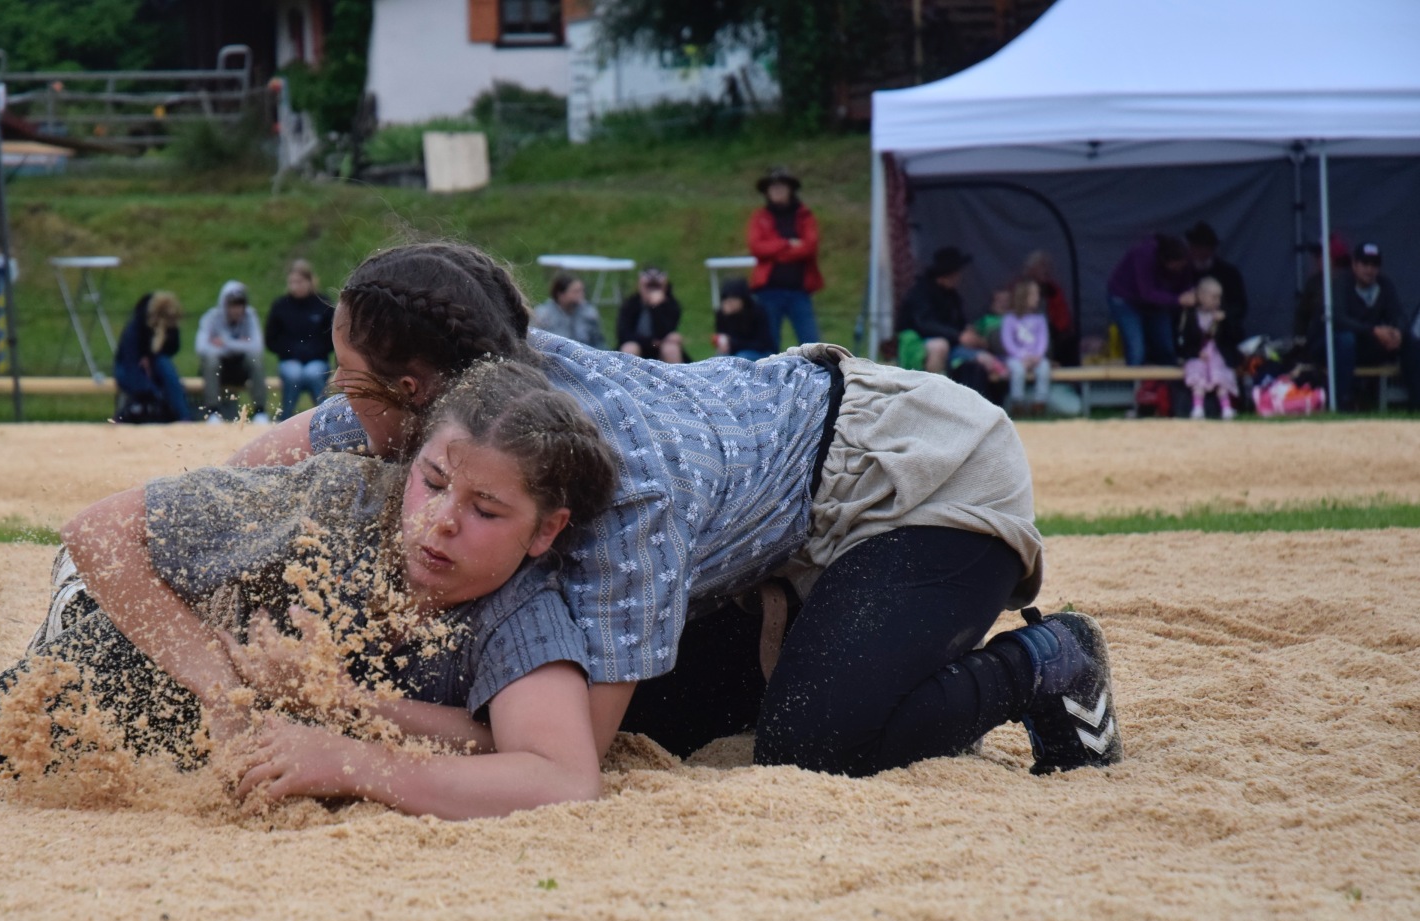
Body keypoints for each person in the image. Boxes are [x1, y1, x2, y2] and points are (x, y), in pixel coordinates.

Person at [226, 240, 1125, 779]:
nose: (347, 405)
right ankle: (826, 642)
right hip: (777, 497)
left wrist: (342, 707)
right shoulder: (482, 390)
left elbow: (564, 756)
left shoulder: (626, 498)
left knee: (819, 743)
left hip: (920, 475)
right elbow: (277, 454)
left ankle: (1050, 661)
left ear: (416, 391)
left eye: (355, 385)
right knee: (669, 720)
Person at [0, 364, 622, 820]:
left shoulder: (519, 608)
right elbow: (100, 530)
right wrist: (226, 691)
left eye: (485, 511)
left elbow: (554, 773)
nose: (441, 523)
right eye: (434, 485)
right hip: (137, 631)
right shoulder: (342, 503)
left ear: (547, 533)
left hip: (256, 704)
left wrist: (349, 746)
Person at [1309, 242, 1405, 410]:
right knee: (1346, 339)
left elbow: (1398, 314)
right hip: (1328, 345)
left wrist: (1397, 333)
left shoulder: (1384, 284)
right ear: (1354, 264)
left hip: (1363, 343)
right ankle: (1341, 401)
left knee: (1410, 341)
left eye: (1374, 264)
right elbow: (1338, 320)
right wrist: (1373, 331)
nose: (1369, 269)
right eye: (1364, 264)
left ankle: (1414, 401)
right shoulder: (1340, 283)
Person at [746, 166, 822, 348]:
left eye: (781, 187)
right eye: (773, 188)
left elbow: (809, 247)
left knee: (811, 341)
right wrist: (787, 244)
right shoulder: (760, 217)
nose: (777, 191)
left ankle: (817, 374)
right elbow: (757, 247)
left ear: (790, 190)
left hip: (799, 290)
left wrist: (776, 253)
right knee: (769, 342)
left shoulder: (804, 216)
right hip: (769, 290)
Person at [896, 246, 991, 392]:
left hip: (953, 345)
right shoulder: (921, 292)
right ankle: (930, 394)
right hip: (921, 342)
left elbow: (960, 323)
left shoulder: (952, 296)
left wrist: (970, 334)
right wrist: (958, 336)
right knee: (940, 346)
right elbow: (923, 323)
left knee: (984, 359)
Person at [1107, 234, 1193, 366]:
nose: (1179, 269)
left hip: (1158, 301)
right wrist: (1178, 300)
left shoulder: (1185, 260)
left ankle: (1168, 386)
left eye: (1183, 265)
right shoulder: (1144, 254)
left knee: (1166, 348)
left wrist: (1189, 293)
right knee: (1137, 350)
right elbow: (1147, 292)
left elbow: (1185, 284)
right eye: (1177, 266)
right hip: (1126, 299)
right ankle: (1136, 385)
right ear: (1166, 261)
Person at [264, 260, 334, 421]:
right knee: (293, 373)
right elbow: (271, 339)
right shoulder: (280, 306)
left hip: (317, 359)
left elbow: (331, 337)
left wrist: (314, 351)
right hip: (290, 359)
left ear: (309, 281)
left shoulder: (323, 303)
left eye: (299, 282)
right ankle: (286, 418)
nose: (295, 286)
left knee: (313, 373)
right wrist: (290, 351)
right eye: (291, 282)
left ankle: (325, 419)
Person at [113, 291, 193, 422]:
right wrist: (151, 390)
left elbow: (172, 349)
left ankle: (184, 417)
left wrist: (162, 338)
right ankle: (124, 416)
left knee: (164, 366)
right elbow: (130, 364)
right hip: (128, 369)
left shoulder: (165, 329)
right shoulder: (134, 329)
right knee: (149, 387)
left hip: (153, 368)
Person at [196, 280, 269, 421]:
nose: (237, 309)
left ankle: (260, 411)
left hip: (241, 370)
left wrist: (225, 343)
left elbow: (257, 347)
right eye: (232, 305)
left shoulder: (250, 316)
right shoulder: (211, 318)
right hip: (219, 370)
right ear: (224, 304)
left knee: (255, 358)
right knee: (211, 359)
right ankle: (212, 412)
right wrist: (239, 344)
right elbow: (201, 348)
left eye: (240, 305)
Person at [1178, 276, 1241, 420]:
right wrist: (1196, 353)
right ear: (1201, 296)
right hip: (1198, 357)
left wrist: (1225, 321)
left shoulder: (1222, 315)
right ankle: (1198, 408)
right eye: (1214, 297)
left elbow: (1233, 338)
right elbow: (1185, 342)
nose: (1217, 302)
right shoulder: (1189, 316)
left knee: (1220, 376)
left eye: (1219, 298)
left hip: (1217, 357)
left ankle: (1226, 408)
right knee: (1197, 375)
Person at [1184, 222, 1248, 331]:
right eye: (1197, 247)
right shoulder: (1183, 273)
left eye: (1206, 248)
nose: (1201, 252)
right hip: (1190, 333)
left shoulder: (1228, 273)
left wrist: (1221, 315)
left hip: (1222, 332)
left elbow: (1239, 306)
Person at [1001, 279, 1052, 412]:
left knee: (1044, 368)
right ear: (1023, 297)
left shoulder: (1040, 319)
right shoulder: (1010, 319)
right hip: (1016, 357)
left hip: (1036, 357)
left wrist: (1037, 356)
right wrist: (1022, 356)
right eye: (1033, 294)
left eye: (1038, 294)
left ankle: (1040, 402)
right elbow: (1008, 342)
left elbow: (1043, 340)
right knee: (1017, 370)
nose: (1037, 298)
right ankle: (1017, 402)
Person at [1020, 250, 1078, 367]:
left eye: (1048, 266)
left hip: (1050, 330)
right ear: (1031, 269)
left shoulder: (1053, 289)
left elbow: (1063, 317)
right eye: (1042, 266)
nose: (1046, 270)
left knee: (1068, 341)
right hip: (1023, 329)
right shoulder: (1019, 287)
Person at [615, 267, 684, 362]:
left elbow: (666, 333)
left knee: (671, 349)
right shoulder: (630, 304)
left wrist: (656, 308)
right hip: (638, 345)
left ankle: (676, 376)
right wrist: (651, 342)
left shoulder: (671, 305)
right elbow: (623, 334)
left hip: (660, 349)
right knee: (629, 348)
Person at [529, 272, 606, 349]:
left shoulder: (589, 313)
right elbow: (533, 341)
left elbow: (598, 341)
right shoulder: (543, 314)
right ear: (560, 294)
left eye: (582, 291)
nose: (581, 295)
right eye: (576, 292)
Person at [713, 278, 776, 361]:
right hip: (734, 351)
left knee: (740, 358)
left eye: (733, 299)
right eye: (727, 299)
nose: (730, 303)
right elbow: (723, 335)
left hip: (759, 351)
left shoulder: (757, 311)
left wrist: (733, 343)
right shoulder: (722, 314)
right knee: (717, 359)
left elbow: (763, 343)